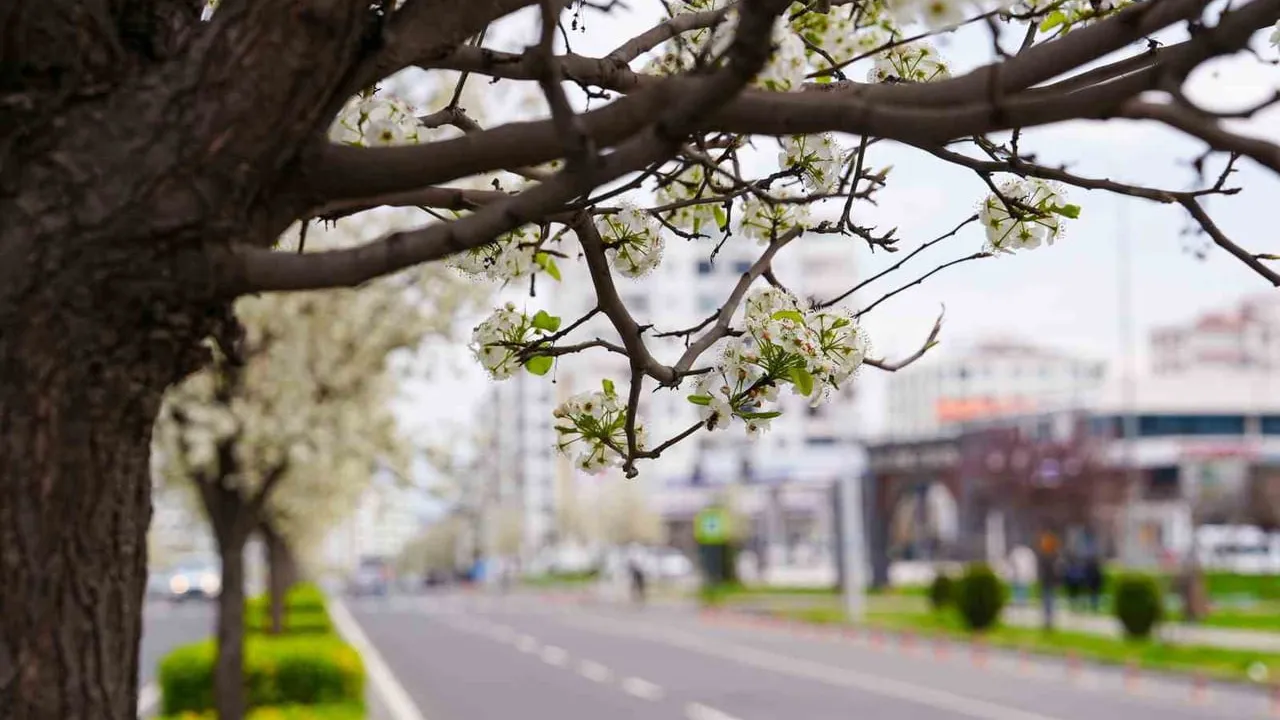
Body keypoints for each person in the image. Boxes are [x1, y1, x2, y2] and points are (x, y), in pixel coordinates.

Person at [1037, 532, 1061, 631]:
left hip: (1049, 583)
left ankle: (1049, 621)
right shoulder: (1047, 557)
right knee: (1048, 603)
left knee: (1049, 603)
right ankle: (1048, 621)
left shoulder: (1053, 557)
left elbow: (1056, 571)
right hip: (1047, 583)